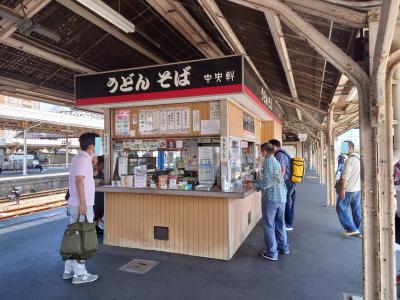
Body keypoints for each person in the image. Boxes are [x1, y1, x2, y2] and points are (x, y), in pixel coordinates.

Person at [63, 132, 99, 284]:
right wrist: (83, 204)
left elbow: (82, 176)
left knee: (74, 236)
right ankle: (80, 274)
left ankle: (69, 269)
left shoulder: (79, 158)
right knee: (83, 237)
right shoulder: (84, 160)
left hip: (75, 204)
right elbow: (79, 181)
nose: (98, 148)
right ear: (91, 145)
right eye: (97, 144)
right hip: (81, 206)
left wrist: (92, 161)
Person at [246, 143, 288, 261]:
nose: (260, 153)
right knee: (280, 223)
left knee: (269, 225)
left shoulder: (268, 161)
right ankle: (283, 247)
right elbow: (273, 178)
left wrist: (253, 184)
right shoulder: (275, 160)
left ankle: (272, 253)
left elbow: (267, 182)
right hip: (281, 197)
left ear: (264, 152)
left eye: (261, 151)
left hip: (271, 198)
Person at [269, 139, 296, 231]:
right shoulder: (284, 153)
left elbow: (282, 171)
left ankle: (288, 224)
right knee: (288, 202)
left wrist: (275, 181)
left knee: (286, 202)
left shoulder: (279, 154)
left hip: (286, 182)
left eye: (270, 146)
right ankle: (287, 223)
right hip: (290, 181)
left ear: (274, 146)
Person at [336, 140, 361, 236]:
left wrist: (343, 189)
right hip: (357, 189)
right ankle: (358, 230)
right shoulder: (358, 158)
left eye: (344, 147)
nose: (342, 149)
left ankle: (352, 229)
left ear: (350, 148)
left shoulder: (349, 160)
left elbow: (345, 176)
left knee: (341, 208)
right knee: (356, 210)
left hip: (348, 189)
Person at [93, 156, 104, 236]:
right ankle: (94, 229)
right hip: (94, 194)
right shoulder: (91, 170)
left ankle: (96, 227)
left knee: (98, 211)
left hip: (98, 193)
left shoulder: (101, 172)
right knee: (96, 211)